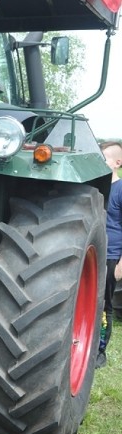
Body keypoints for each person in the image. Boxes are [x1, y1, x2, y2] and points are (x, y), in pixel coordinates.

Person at [97, 141, 122, 367]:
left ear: (117, 162)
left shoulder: (121, 188)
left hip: (111, 254)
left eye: (104, 157)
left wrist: (121, 264)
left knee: (105, 304)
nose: (100, 161)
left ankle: (100, 351)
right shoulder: (95, 187)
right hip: (92, 252)